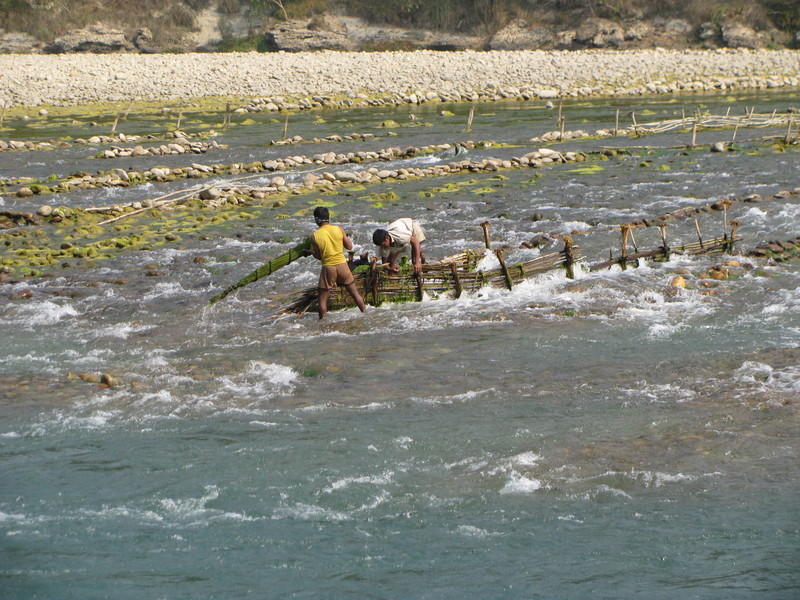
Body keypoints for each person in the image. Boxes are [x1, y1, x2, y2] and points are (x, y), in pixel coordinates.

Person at [310, 206, 366, 319]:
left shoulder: (315, 236)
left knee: (322, 299)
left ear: (316, 220)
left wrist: (310, 252)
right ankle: (366, 315)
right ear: (328, 218)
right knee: (355, 294)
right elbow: (349, 246)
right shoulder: (339, 229)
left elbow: (319, 256)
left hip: (328, 268)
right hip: (342, 266)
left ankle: (323, 323)